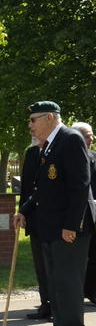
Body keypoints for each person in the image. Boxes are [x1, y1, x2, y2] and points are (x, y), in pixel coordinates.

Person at [14, 101, 95, 326]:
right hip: (49, 227)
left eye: (33, 120)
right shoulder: (48, 145)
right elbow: (43, 189)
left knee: (68, 284)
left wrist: (72, 224)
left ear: (50, 117)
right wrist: (24, 210)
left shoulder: (70, 139)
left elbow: (80, 186)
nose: (30, 126)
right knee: (55, 283)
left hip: (68, 229)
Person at [19, 138, 51, 321]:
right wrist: (23, 211)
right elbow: (26, 187)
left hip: (53, 218)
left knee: (53, 267)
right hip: (34, 216)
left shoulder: (58, 149)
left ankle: (58, 307)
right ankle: (45, 304)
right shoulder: (31, 153)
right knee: (40, 266)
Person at [71, 122, 96, 305]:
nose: (92, 139)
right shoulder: (70, 157)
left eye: (92, 135)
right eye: (87, 135)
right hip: (76, 216)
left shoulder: (94, 157)